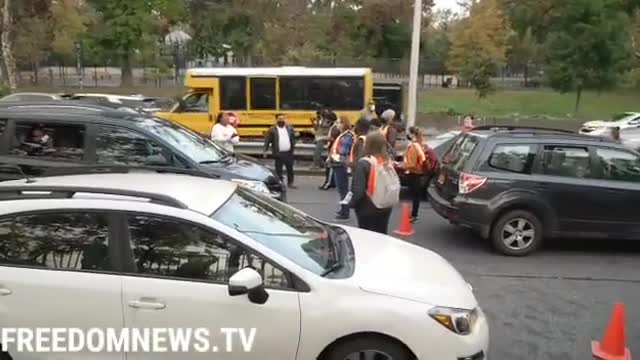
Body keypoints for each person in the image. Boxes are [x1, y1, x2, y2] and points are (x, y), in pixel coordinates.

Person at [349, 131, 399, 234]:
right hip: (385, 204)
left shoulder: (364, 163)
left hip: (367, 207)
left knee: (367, 235)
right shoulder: (387, 161)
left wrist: (351, 204)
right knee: (381, 233)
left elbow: (358, 190)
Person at [396, 127, 428, 223]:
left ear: (412, 134)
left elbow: (412, 163)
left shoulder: (414, 146)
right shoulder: (420, 144)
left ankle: (414, 215)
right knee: (416, 195)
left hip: (414, 173)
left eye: (409, 134)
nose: (407, 135)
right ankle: (414, 214)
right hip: (418, 172)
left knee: (415, 195)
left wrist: (401, 165)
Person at [328, 116, 355, 220]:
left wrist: (334, 156)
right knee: (341, 188)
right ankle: (343, 209)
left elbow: (343, 151)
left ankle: (345, 211)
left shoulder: (347, 136)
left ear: (344, 123)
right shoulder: (343, 135)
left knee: (343, 188)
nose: (337, 125)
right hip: (337, 163)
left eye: (339, 123)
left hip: (340, 164)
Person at [264, 114, 297, 189]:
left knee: (290, 169)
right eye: (279, 119)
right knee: (279, 169)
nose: (281, 120)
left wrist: (293, 145)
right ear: (276, 120)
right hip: (278, 153)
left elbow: (293, 138)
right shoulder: (272, 129)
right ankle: (280, 183)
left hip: (288, 152)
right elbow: (267, 140)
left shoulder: (290, 128)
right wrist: (265, 150)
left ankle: (290, 183)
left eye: (282, 119)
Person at [319, 115, 342, 190]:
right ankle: (333, 183)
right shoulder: (334, 127)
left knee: (330, 167)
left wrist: (322, 138)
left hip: (333, 149)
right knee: (331, 166)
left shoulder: (335, 128)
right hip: (333, 148)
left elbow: (332, 138)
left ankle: (328, 183)